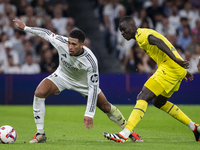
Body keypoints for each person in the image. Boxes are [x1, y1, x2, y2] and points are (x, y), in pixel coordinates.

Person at [13, 18, 143, 143]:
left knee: (105, 106)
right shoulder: (61, 42)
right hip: (63, 76)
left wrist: (89, 114)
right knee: (39, 92)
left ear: (82, 45)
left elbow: (93, 88)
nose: (70, 46)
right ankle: (40, 133)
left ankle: (129, 131)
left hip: (84, 84)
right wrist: (26, 28)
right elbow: (47, 34)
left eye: (74, 44)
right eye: (69, 43)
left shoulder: (91, 61)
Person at [103, 16, 200, 143]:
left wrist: (176, 60)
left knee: (142, 96)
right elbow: (164, 44)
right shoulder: (141, 35)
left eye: (124, 29)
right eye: (120, 30)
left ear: (132, 26)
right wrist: (181, 68)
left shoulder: (142, 35)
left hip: (170, 67)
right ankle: (195, 127)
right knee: (159, 102)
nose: (122, 33)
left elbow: (159, 42)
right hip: (175, 69)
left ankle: (125, 133)